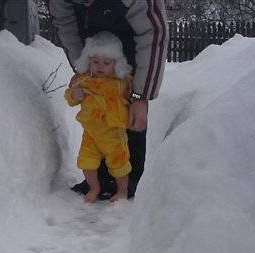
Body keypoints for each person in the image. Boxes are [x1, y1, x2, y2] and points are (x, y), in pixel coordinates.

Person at [50, 0, 168, 199]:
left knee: (126, 116)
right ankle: (100, 179)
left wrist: (139, 96)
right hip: (90, 41)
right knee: (98, 135)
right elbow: (65, 23)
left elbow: (152, 35)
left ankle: (128, 181)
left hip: (130, 38)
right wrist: (83, 67)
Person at [64, 32, 133, 203]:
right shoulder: (84, 80)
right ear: (88, 61)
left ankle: (122, 191)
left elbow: (134, 93)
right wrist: (74, 94)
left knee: (119, 163)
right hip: (91, 133)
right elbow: (70, 97)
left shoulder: (122, 81)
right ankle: (94, 188)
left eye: (106, 63)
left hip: (113, 132)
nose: (100, 66)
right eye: (95, 62)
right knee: (86, 162)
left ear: (117, 64)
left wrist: (133, 97)